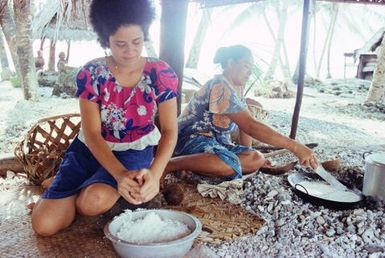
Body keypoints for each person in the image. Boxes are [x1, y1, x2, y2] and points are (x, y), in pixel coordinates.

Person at [31, 0, 178, 236]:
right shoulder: (92, 73)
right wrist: (119, 176)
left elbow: (170, 130)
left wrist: (156, 173)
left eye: (137, 42)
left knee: (92, 203)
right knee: (44, 227)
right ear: (105, 39)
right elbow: (91, 133)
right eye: (120, 44)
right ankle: (70, 185)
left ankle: (73, 188)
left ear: (145, 35)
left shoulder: (160, 73)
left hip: (133, 150)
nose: (130, 51)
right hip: (90, 149)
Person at [164, 45, 318, 180]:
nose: (250, 72)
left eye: (251, 68)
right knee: (227, 163)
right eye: (246, 66)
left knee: (256, 158)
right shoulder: (220, 85)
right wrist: (296, 147)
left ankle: (196, 166)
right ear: (231, 63)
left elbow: (245, 129)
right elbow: (251, 126)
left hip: (216, 145)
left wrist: (248, 153)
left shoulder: (236, 92)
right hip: (190, 139)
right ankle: (172, 164)